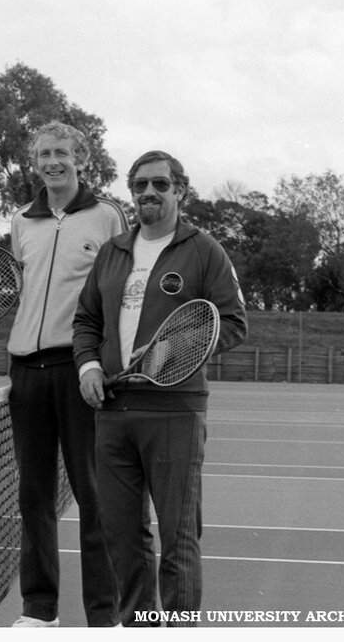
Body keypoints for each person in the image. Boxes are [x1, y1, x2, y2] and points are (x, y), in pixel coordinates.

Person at [73, 150, 248, 626]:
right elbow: (87, 319)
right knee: (123, 536)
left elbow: (231, 323)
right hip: (112, 409)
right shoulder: (114, 251)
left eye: (160, 185)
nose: (149, 193)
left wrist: (176, 347)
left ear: (180, 192)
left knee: (178, 536)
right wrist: (88, 366)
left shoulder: (204, 249)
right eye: (140, 185)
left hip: (174, 411)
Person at [6, 121, 126, 627]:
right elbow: (21, 287)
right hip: (25, 371)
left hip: (79, 369)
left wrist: (101, 361)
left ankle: (105, 614)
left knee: (94, 494)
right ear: (34, 163)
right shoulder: (21, 221)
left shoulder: (108, 216)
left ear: (81, 158)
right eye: (43, 154)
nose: (52, 161)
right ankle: (39, 611)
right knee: (33, 495)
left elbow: (120, 291)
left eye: (61, 153)